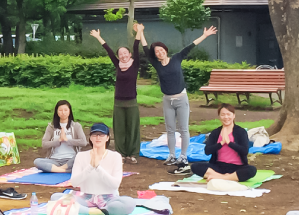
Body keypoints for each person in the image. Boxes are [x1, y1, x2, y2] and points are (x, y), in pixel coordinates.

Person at [138, 23, 217, 167]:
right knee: (170, 130)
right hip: (167, 100)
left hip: (181, 99)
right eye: (157, 52)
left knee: (183, 129)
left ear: (165, 50)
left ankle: (183, 156)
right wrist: (141, 32)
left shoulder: (176, 58)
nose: (159, 53)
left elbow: (190, 46)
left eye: (161, 50)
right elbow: (145, 49)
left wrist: (204, 36)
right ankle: (172, 155)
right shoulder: (156, 64)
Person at [49, 123, 149, 215]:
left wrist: (97, 167)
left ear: (107, 138)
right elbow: (74, 182)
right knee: (56, 198)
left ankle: (99, 210)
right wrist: (90, 167)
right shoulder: (81, 156)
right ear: (90, 138)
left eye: (101, 135)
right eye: (94, 135)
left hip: (109, 198)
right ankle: (94, 212)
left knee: (129, 203)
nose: (98, 138)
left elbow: (115, 184)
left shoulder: (115, 156)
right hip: (85, 197)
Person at [88, 27, 143, 162]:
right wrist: (98, 36)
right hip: (118, 101)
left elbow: (136, 46)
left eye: (125, 53)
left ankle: (133, 154)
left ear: (130, 54)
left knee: (132, 128)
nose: (123, 56)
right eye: (120, 54)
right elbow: (108, 50)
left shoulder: (135, 65)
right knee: (119, 129)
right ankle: (121, 154)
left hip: (131, 101)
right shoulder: (117, 65)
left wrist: (139, 32)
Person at [182, 103, 259, 181]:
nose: (226, 117)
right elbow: (207, 151)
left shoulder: (241, 131)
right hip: (218, 166)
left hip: (237, 167)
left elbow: (245, 151)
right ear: (219, 116)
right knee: (195, 166)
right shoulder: (215, 132)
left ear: (233, 115)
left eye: (228, 114)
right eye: (223, 115)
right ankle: (228, 177)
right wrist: (221, 143)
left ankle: (219, 177)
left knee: (251, 170)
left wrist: (230, 143)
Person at [36, 100, 87, 172]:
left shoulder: (76, 126)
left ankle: (55, 169)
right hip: (54, 160)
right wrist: (58, 141)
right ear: (57, 111)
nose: (63, 112)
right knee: (37, 162)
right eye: (60, 110)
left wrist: (67, 140)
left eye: (65, 110)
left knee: (82, 157)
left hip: (71, 159)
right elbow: (44, 144)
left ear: (70, 111)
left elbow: (84, 142)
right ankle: (64, 170)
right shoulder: (51, 127)